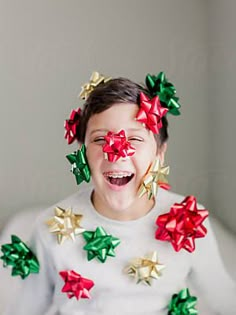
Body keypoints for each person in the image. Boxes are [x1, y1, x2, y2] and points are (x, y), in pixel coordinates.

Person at [2, 72, 236, 315]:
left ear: (159, 153)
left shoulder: (189, 223)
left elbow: (226, 302)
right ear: (83, 153)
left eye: (134, 138)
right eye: (100, 139)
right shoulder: (50, 228)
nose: (116, 153)